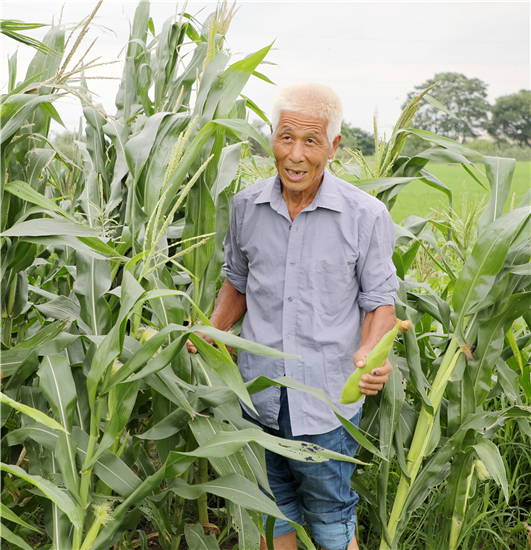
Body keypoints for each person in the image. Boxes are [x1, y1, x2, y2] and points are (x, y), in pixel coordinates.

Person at [188, 82, 398, 550]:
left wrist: (370, 351)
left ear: (334, 146)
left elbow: (381, 301)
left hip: (324, 402)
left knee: (329, 519)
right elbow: (238, 282)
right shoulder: (246, 207)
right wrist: (212, 329)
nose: (296, 155)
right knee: (271, 513)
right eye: (286, 138)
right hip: (257, 395)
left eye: (311, 141)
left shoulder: (366, 215)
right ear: (270, 138)